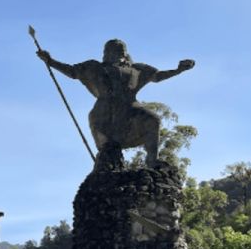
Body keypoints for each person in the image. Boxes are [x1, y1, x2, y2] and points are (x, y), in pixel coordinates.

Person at [36, 39, 194, 167]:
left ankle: (152, 159)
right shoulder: (94, 67)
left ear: (125, 54)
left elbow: (157, 76)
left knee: (153, 120)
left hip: (131, 108)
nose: (115, 54)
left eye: (119, 51)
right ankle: (106, 164)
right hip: (105, 111)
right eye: (110, 50)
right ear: (105, 53)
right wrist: (50, 61)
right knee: (108, 152)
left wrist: (178, 70)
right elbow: (71, 71)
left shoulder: (136, 69)